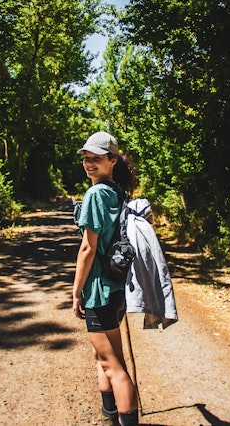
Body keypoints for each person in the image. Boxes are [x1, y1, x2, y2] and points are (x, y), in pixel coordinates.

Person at [72, 131, 139, 426]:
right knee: (106, 357)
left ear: (112, 161)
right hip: (115, 289)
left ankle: (123, 418)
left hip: (99, 289)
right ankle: (109, 413)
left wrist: (76, 292)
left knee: (113, 365)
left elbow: (88, 247)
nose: (89, 164)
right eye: (86, 159)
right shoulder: (116, 191)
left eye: (96, 159)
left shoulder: (96, 194)